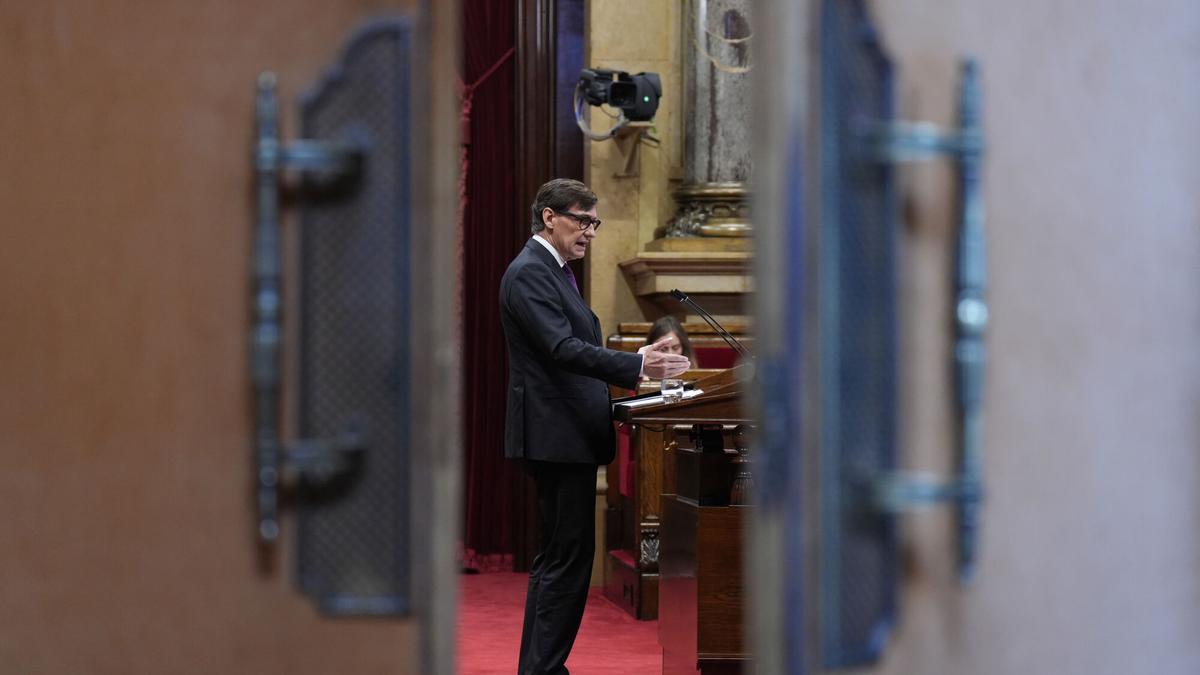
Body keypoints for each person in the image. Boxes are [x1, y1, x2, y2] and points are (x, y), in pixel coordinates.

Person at [500, 178, 690, 675]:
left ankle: (543, 668)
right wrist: (635, 368)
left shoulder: (553, 271)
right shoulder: (530, 273)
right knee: (564, 561)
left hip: (567, 435)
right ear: (549, 217)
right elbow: (560, 350)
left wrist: (637, 358)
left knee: (562, 558)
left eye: (594, 222)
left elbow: (570, 349)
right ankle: (542, 670)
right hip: (556, 436)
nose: (591, 232)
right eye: (583, 220)